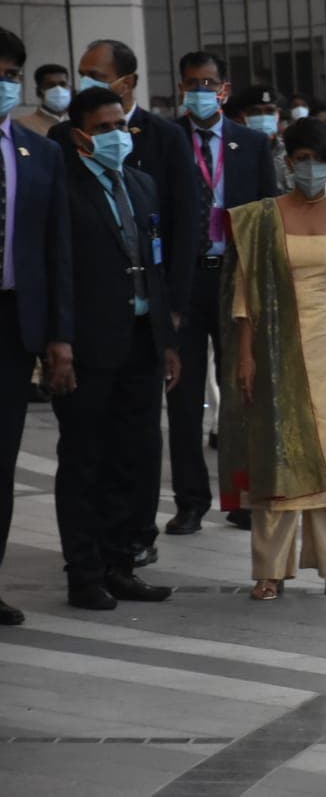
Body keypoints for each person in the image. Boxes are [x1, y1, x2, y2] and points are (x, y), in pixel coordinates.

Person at [220, 117, 326, 601]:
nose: (311, 170)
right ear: (287, 161)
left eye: (321, 162)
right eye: (302, 160)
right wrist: (247, 356)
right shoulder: (263, 217)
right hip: (275, 349)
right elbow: (246, 292)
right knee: (278, 455)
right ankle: (269, 569)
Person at [49, 38, 201, 566]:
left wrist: (171, 320)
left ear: (128, 82)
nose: (87, 80)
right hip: (93, 332)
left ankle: (132, 544)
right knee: (89, 452)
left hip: (145, 325)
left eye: (97, 73)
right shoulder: (62, 157)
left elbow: (180, 229)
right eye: (83, 73)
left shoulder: (157, 152)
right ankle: (87, 562)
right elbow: (59, 257)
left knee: (137, 449)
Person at [165, 50, 278, 537]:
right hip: (185, 279)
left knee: (242, 393)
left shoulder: (251, 143)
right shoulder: (166, 139)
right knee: (184, 395)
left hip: (235, 276)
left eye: (209, 84)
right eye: (192, 84)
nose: (201, 92)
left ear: (225, 89)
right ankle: (190, 500)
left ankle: (241, 496)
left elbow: (269, 214)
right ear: (182, 89)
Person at [0, 27, 73, 625]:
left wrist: (57, 336)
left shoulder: (37, 152)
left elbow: (55, 252)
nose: (2, 84)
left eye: (8, 75)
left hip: (11, 322)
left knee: (1, 460)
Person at [14, 63, 70, 136]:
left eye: (62, 84)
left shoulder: (76, 124)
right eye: (51, 85)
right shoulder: (22, 125)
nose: (58, 90)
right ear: (39, 90)